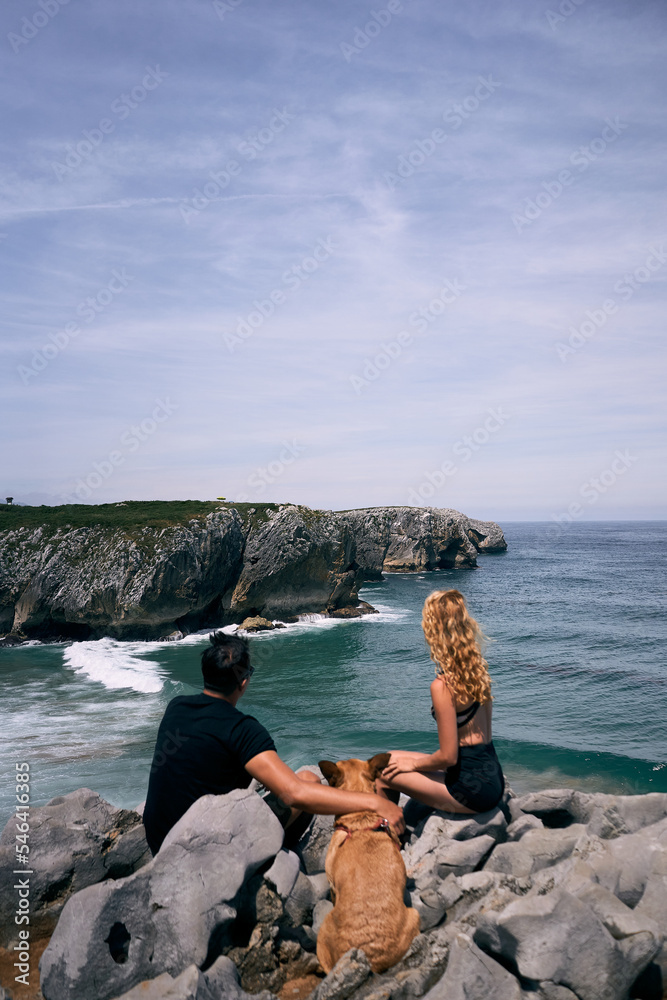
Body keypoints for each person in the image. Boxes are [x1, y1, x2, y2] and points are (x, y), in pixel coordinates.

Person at [143, 630, 404, 855]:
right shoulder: (243, 729)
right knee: (308, 779)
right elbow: (294, 793)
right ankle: (273, 859)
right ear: (243, 682)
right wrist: (375, 803)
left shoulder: (176, 706)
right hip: (206, 851)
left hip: (160, 843)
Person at [377, 589, 505, 814]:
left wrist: (413, 765)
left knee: (381, 774)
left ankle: (389, 833)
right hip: (491, 777)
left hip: (469, 790)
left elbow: (448, 756)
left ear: (434, 631)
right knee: (385, 759)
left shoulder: (442, 686)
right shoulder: (478, 671)